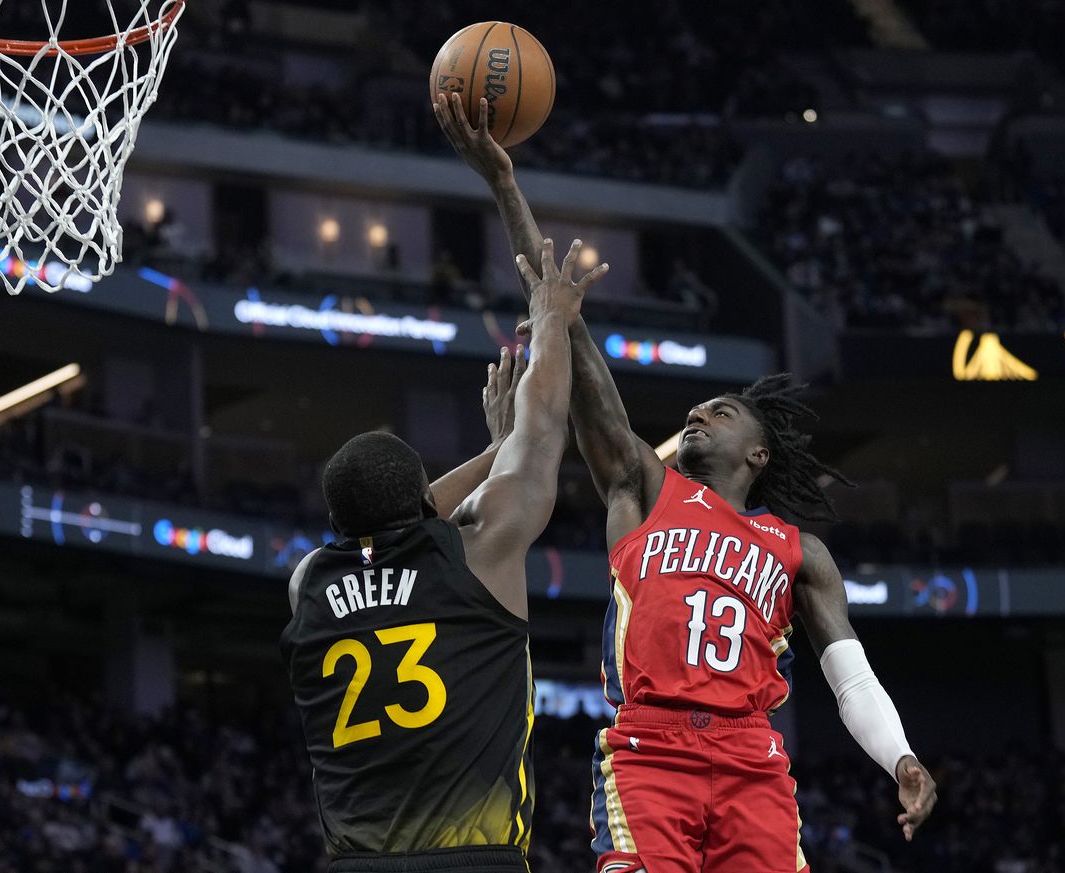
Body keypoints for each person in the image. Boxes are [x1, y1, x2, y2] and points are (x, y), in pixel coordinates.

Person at [436, 94, 937, 873]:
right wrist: (505, 185)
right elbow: (570, 333)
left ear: (759, 454)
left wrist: (901, 758)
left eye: (724, 409)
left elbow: (851, 675)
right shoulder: (641, 486)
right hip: (649, 752)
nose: (699, 410)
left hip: (753, 763)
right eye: (702, 405)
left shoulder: (798, 550)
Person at [280, 240, 608, 873]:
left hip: (358, 862)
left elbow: (388, 511)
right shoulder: (477, 551)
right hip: (472, 857)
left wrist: (497, 453)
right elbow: (543, 432)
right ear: (422, 497)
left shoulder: (308, 583)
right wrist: (550, 317)